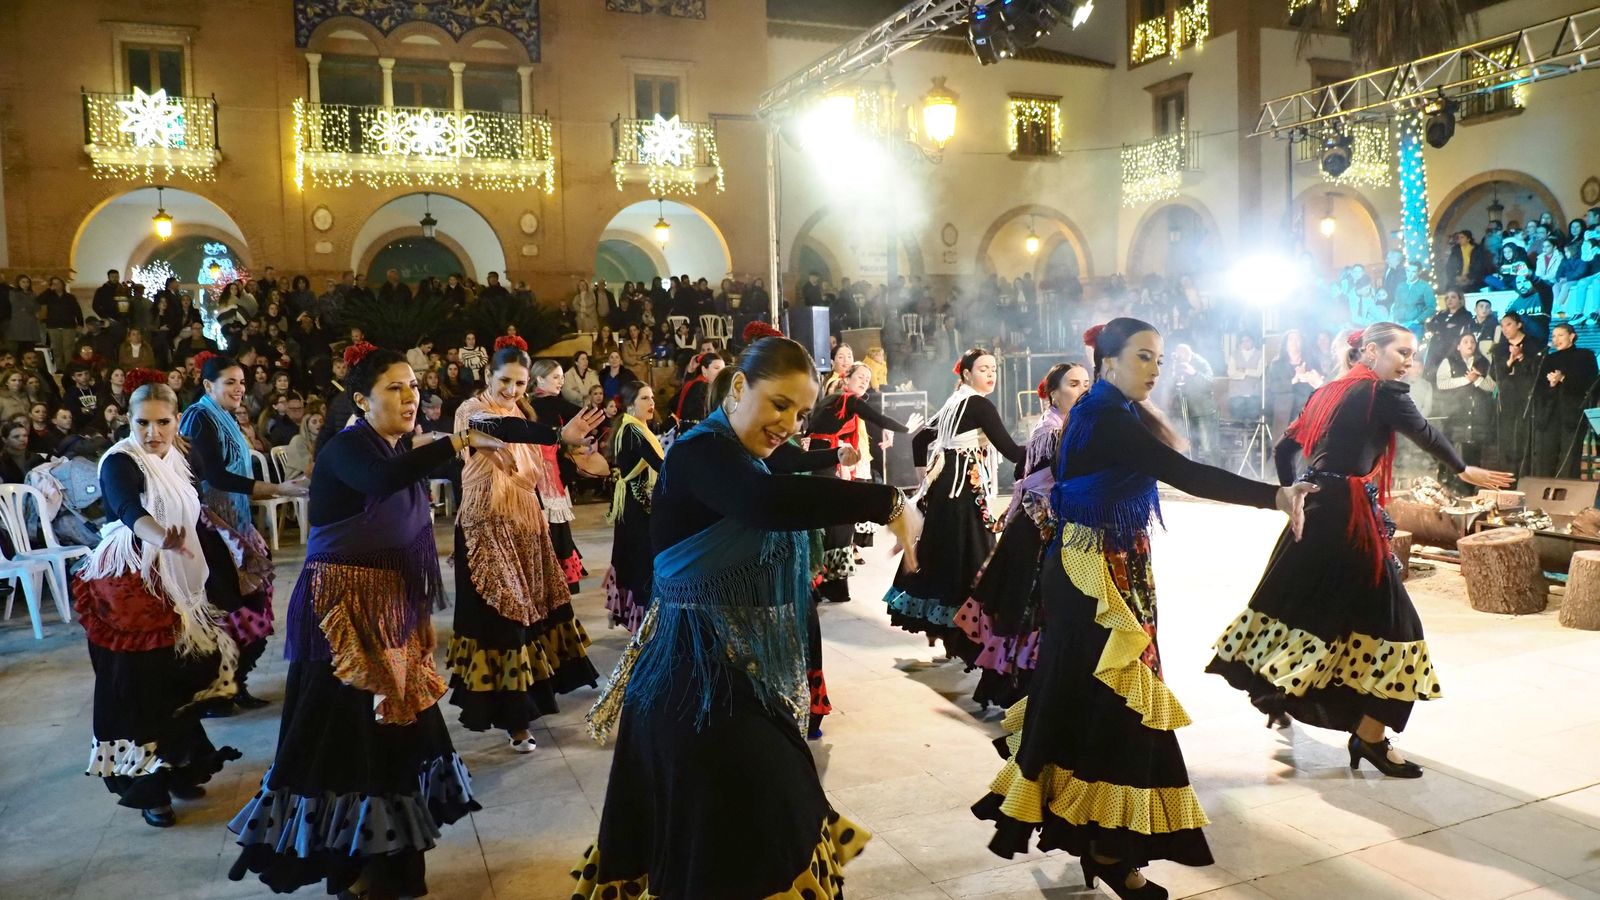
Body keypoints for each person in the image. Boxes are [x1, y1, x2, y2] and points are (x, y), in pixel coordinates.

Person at [973, 319, 1314, 898]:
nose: (1156, 368)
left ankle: (1097, 841)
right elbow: (1186, 474)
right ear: (1108, 362)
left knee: (1095, 703)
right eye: (1143, 357)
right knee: (1121, 710)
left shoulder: (1115, 410)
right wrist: (1274, 495)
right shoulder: (1106, 416)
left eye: (1159, 358)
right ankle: (1110, 850)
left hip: (1102, 567)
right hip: (1094, 577)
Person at [574, 336, 921, 899]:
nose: (789, 423)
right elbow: (763, 503)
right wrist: (888, 502)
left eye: (800, 413)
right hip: (689, 682)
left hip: (732, 673)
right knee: (737, 846)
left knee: (771, 818)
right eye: (779, 404)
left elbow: (785, 481)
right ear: (739, 387)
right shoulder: (699, 453)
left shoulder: (744, 456)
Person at [228, 346, 501, 898]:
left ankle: (389, 864)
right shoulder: (347, 449)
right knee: (347, 736)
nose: (410, 396)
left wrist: (550, 443)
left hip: (391, 610)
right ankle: (351, 868)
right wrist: (456, 440)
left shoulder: (395, 446)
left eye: (413, 386)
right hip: (342, 615)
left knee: (396, 735)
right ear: (360, 400)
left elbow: (412, 511)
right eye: (395, 387)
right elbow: (383, 480)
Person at [1208, 323, 1512, 779]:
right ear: (1370, 350)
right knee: (1396, 623)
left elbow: (1285, 447)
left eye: (1413, 353)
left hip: (1315, 508)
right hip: (1347, 518)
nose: (1409, 361)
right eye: (1401, 352)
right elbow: (1425, 433)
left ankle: (1278, 693)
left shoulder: (1326, 391)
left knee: (1300, 606)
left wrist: (1292, 493)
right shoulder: (1380, 392)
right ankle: (1368, 736)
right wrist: (1462, 467)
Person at [74, 376, 250, 828]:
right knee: (137, 690)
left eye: (162, 423)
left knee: (172, 681)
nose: (152, 432)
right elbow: (127, 507)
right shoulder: (121, 461)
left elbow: (196, 511)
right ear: (128, 421)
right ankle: (148, 789)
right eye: (142, 423)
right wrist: (159, 537)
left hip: (170, 584)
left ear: (177, 421)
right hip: (127, 593)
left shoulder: (177, 458)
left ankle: (176, 766)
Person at [446, 339, 603, 752]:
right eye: (504, 381)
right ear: (487, 376)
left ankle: (533, 701)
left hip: (525, 522)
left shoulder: (521, 410)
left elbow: (527, 445)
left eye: (519, 383)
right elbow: (501, 430)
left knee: (536, 608)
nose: (511, 390)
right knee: (507, 614)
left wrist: (577, 452)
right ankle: (515, 721)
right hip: (485, 526)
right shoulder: (471, 411)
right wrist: (557, 434)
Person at [954, 362, 1090, 711]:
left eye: (1087, 383)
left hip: (1044, 528)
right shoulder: (1052, 432)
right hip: (1036, 531)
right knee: (1029, 609)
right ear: (1053, 393)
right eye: (1074, 384)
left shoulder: (1065, 426)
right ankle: (1018, 691)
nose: (1083, 390)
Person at [180, 353, 304, 714]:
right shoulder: (199, 418)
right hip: (212, 528)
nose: (239, 389)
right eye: (230, 382)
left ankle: (235, 685)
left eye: (242, 382)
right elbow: (215, 476)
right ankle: (217, 693)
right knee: (230, 611)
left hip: (235, 522)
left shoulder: (225, 416)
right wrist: (277, 489)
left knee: (251, 603)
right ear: (208, 385)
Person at [883, 348, 1024, 658]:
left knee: (945, 555)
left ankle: (948, 633)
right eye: (984, 369)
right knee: (970, 557)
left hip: (944, 489)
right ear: (967, 374)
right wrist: (1050, 447)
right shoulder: (978, 404)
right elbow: (1012, 451)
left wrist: (926, 477)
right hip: (963, 492)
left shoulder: (954, 402)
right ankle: (965, 635)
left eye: (994, 369)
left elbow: (920, 440)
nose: (991, 374)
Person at [805, 362, 918, 603]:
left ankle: (823, 584)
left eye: (868, 378)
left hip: (819, 461)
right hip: (826, 464)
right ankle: (831, 585)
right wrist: (905, 428)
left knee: (830, 523)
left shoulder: (832, 400)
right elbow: (878, 418)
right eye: (860, 377)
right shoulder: (848, 400)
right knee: (840, 522)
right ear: (846, 378)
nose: (865, 381)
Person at [602, 380, 661, 634]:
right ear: (630, 404)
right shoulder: (634, 432)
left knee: (632, 556)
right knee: (641, 559)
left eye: (652, 397)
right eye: (644, 398)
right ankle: (643, 624)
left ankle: (629, 616)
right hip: (636, 506)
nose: (652, 403)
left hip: (632, 503)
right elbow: (660, 465)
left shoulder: (632, 427)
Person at [528, 356, 589, 592]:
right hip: (544, 473)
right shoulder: (547, 403)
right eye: (556, 377)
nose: (561, 381)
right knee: (553, 525)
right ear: (539, 379)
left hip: (548, 470)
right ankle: (556, 579)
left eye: (562, 377)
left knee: (554, 525)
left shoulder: (537, 404)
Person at [1530, 322, 1599, 477]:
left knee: (1569, 458)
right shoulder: (1548, 358)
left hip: (1573, 414)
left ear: (1572, 336)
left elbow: (1590, 383)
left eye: (1560, 335)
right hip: (1550, 415)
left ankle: (1566, 490)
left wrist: (1563, 379)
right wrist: (1552, 385)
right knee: (1546, 456)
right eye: (1554, 336)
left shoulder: (1585, 355)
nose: (1556, 339)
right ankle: (1545, 489)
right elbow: (1538, 388)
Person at [1435, 332, 1496, 469]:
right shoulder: (1448, 361)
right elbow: (1441, 384)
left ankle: (1472, 481)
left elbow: (1493, 387)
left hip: (1478, 417)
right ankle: (1451, 479)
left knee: (1474, 457)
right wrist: (1466, 380)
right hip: (1456, 414)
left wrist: (1477, 380)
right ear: (1458, 346)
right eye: (1466, 342)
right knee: (1454, 455)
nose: (1470, 344)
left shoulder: (1484, 362)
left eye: (1472, 342)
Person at [1491, 312, 1542, 474]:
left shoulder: (1534, 345)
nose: (1505, 329)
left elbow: (1538, 371)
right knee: (1506, 438)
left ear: (1519, 325)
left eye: (1508, 324)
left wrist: (1521, 357)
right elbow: (1494, 373)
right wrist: (1509, 361)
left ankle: (1524, 476)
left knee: (1523, 437)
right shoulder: (1499, 348)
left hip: (1527, 397)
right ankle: (1507, 476)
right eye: (1502, 326)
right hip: (1506, 397)